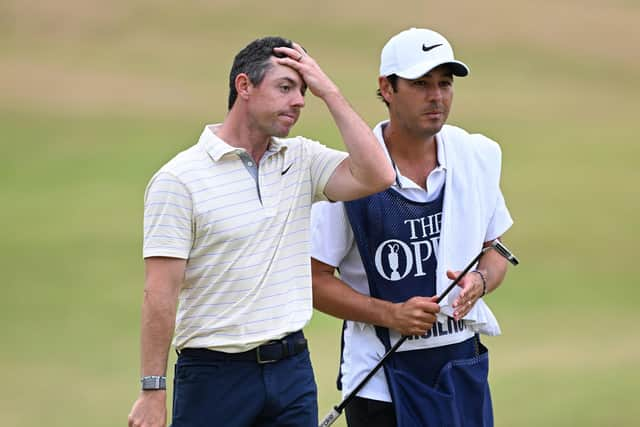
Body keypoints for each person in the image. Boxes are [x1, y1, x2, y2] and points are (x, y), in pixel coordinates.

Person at [127, 36, 395, 427]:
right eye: (285, 87)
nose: (299, 101)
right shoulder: (179, 180)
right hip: (213, 377)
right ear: (244, 87)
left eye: (303, 91)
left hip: (290, 371)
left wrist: (330, 92)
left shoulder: (300, 159)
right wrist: (153, 390)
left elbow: (378, 175)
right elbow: (159, 292)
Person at [311, 28, 514, 427]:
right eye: (421, 84)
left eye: (444, 84)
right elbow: (313, 279)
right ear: (387, 88)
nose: (436, 96)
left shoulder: (475, 156)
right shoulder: (350, 173)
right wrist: (390, 314)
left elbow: (496, 252)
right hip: (380, 383)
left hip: (461, 368)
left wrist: (480, 282)